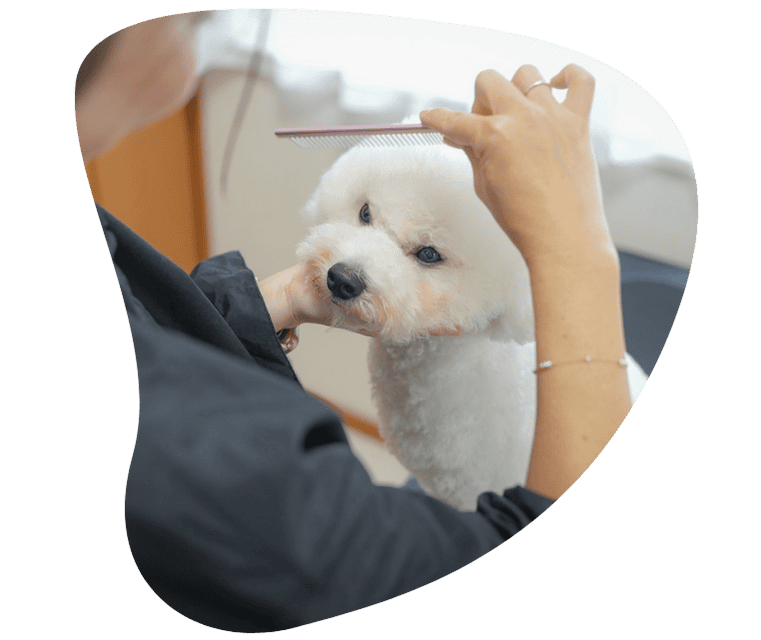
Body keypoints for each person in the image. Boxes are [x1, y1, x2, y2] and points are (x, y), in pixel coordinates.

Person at [75, 12, 631, 633]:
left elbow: (142, 339)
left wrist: (282, 298)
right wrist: (576, 246)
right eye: (193, 19)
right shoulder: (205, 476)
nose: (209, 26)